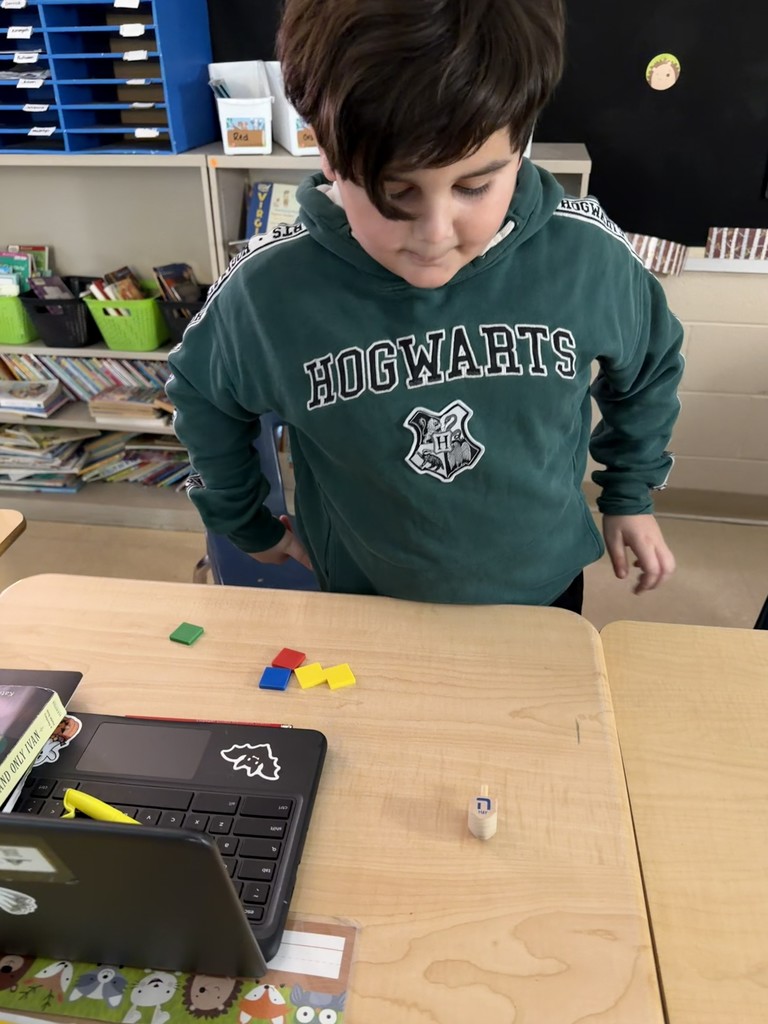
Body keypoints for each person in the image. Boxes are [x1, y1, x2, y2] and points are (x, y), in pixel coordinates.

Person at [167, 0, 683, 614]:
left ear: (521, 143)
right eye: (396, 192)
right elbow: (201, 393)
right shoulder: (266, 290)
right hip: (363, 595)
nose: (437, 233)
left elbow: (649, 369)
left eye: (474, 186)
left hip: (543, 590)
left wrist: (629, 494)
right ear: (327, 153)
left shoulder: (588, 256)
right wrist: (244, 521)